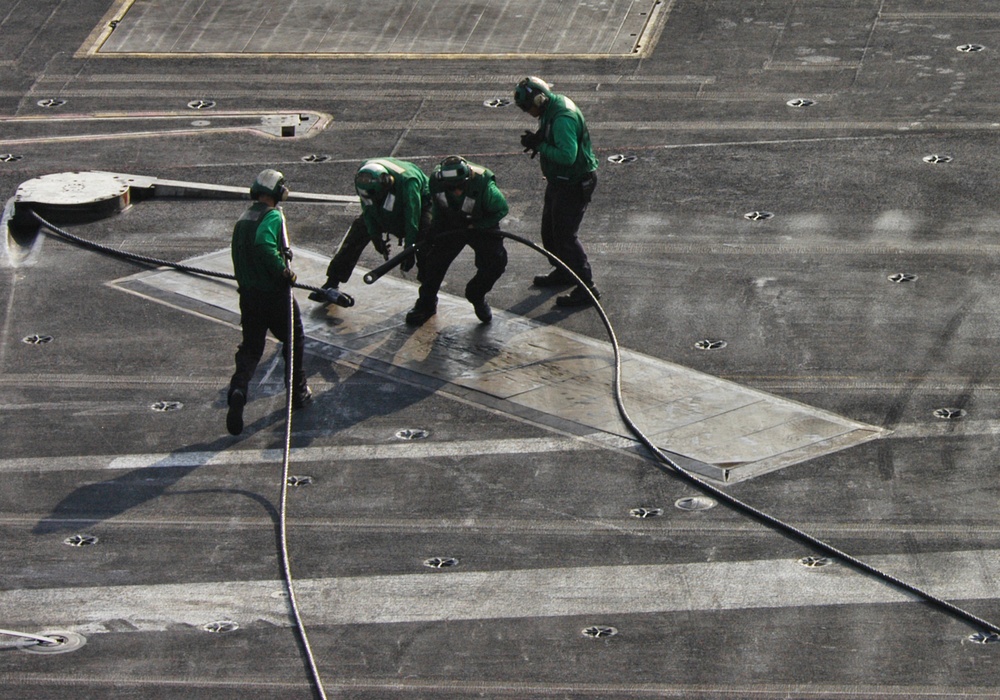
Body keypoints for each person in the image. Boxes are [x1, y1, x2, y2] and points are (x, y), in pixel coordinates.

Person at [226, 169, 311, 436]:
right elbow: (264, 244)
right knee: (294, 338)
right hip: (273, 294)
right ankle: (297, 392)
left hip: (248, 296)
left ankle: (239, 388)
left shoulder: (244, 217)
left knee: (251, 349)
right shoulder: (272, 215)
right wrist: (282, 270)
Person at [514, 76, 601, 307]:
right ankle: (564, 272)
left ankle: (587, 288)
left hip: (573, 183)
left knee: (565, 238)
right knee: (550, 234)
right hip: (559, 182)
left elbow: (567, 156)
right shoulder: (551, 107)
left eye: (528, 107)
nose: (528, 112)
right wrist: (540, 137)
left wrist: (540, 145)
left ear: (540, 99)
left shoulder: (562, 118)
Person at [309, 158, 431, 305]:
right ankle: (332, 282)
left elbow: (412, 219)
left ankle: (427, 299)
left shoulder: (408, 182)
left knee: (426, 245)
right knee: (356, 233)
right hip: (387, 200)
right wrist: (375, 237)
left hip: (421, 204)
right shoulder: (364, 177)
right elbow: (367, 210)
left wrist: (409, 252)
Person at [405, 156, 510, 326]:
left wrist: (479, 225)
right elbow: (438, 207)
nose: (457, 192)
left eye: (460, 187)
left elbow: (502, 209)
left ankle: (476, 295)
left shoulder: (485, 186)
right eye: (451, 188)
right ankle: (426, 304)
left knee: (495, 262)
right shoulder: (436, 181)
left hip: (481, 224)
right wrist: (434, 229)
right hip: (451, 223)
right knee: (433, 262)